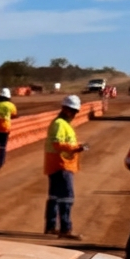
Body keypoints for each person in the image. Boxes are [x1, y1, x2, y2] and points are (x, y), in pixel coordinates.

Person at [44, 95, 88, 240]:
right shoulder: (59, 124)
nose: (74, 114)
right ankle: (65, 229)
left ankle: (51, 227)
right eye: (72, 111)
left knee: (54, 197)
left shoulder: (63, 124)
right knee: (66, 198)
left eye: (75, 111)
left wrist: (76, 147)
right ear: (64, 109)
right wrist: (76, 148)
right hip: (61, 164)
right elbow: (58, 144)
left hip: (57, 164)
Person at [0, 88, 18, 170]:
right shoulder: (11, 105)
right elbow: (14, 115)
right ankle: (0, 164)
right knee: (2, 146)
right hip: (5, 128)